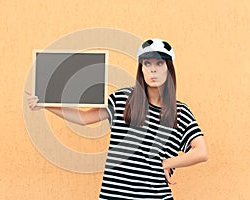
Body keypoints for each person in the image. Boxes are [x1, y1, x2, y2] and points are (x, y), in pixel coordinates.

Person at [25, 38, 208, 200]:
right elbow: (84, 117)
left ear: (169, 69)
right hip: (114, 195)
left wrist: (169, 162)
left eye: (160, 63)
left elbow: (201, 152)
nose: (153, 69)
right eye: (147, 63)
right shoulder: (122, 99)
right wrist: (45, 104)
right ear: (141, 69)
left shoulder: (180, 112)